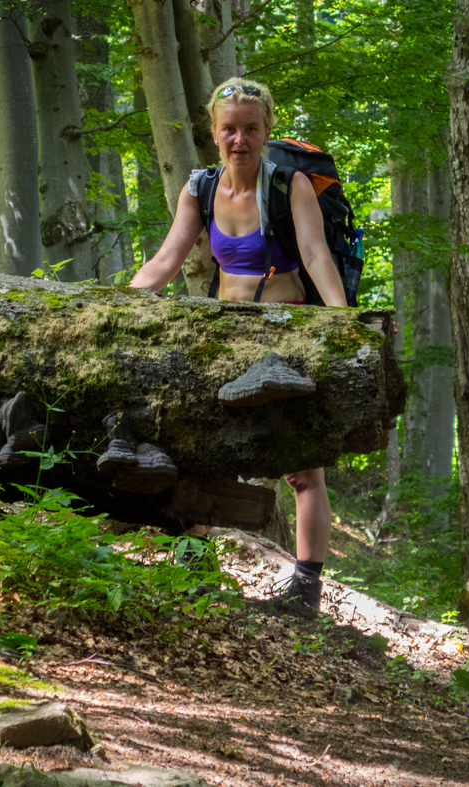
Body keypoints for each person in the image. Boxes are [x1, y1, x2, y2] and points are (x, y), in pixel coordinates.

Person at [129, 77, 346, 610]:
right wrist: (121, 303)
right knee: (200, 450)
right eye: (229, 129)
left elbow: (317, 256)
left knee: (302, 466)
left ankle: (305, 587)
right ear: (213, 131)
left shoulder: (288, 185)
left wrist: (343, 321)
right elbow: (166, 259)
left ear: (267, 130)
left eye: (251, 128)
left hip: (285, 331)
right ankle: (195, 564)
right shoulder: (199, 187)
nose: (239, 139)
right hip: (222, 333)